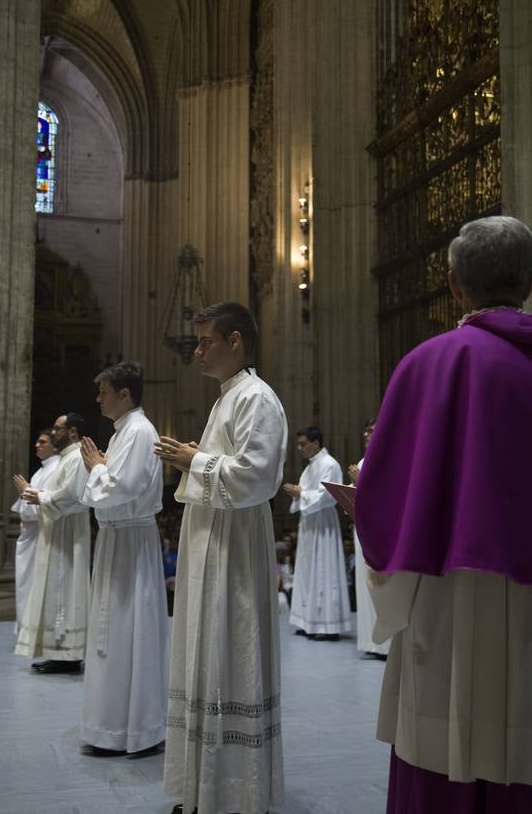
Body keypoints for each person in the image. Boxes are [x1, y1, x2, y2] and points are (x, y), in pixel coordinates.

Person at [355, 216, 532, 813]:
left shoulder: (430, 363)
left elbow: (385, 492)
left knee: (446, 737)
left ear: (454, 285)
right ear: (528, 283)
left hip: (447, 593)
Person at [155, 301, 287, 814]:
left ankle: (234, 793)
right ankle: (202, 789)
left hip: (234, 547)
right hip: (209, 538)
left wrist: (195, 459)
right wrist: (197, 456)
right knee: (203, 653)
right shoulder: (227, 397)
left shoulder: (258, 397)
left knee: (229, 655)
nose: (198, 350)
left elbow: (257, 477)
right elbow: (227, 463)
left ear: (236, 342)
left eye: (207, 340)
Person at [78, 361, 169, 758]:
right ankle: (111, 726)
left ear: (125, 394)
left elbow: (123, 487)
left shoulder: (138, 431)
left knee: (129, 631)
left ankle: (135, 728)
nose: (99, 398)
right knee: (113, 633)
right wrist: (100, 467)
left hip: (131, 541)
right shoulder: (123, 433)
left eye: (104, 391)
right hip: (119, 540)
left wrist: (97, 468)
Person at [15, 412, 91, 674]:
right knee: (57, 593)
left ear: (72, 432)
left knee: (65, 591)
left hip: (69, 535)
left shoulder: (77, 458)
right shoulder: (67, 458)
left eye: (58, 429)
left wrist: (40, 497)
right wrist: (42, 496)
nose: (53, 433)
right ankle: (58, 652)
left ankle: (69, 656)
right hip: (58, 531)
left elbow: (74, 497)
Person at [283, 427, 351, 640]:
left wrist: (300, 493)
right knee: (307, 570)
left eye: (303, 444)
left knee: (323, 570)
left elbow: (326, 496)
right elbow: (306, 493)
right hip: (309, 524)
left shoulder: (329, 464)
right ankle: (307, 621)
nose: (300, 448)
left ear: (316, 442)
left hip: (323, 523)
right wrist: (299, 493)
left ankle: (326, 625)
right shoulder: (311, 466)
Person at [347, 419, 389, 659]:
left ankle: (385, 644)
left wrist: (360, 480)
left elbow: (388, 495)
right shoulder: (363, 461)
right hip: (362, 526)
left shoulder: (390, 456)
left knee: (378, 583)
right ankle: (371, 643)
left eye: (371, 430)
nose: (366, 435)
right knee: (364, 584)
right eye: (364, 430)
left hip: (380, 528)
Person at [12, 429, 60, 632]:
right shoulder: (41, 470)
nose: (37, 445)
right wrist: (27, 492)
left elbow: (50, 502)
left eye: (42, 442)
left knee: (35, 585)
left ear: (55, 446)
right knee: (26, 584)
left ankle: (34, 630)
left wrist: (27, 491)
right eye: (37, 441)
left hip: (42, 534)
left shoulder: (56, 467)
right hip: (31, 535)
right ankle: (26, 628)